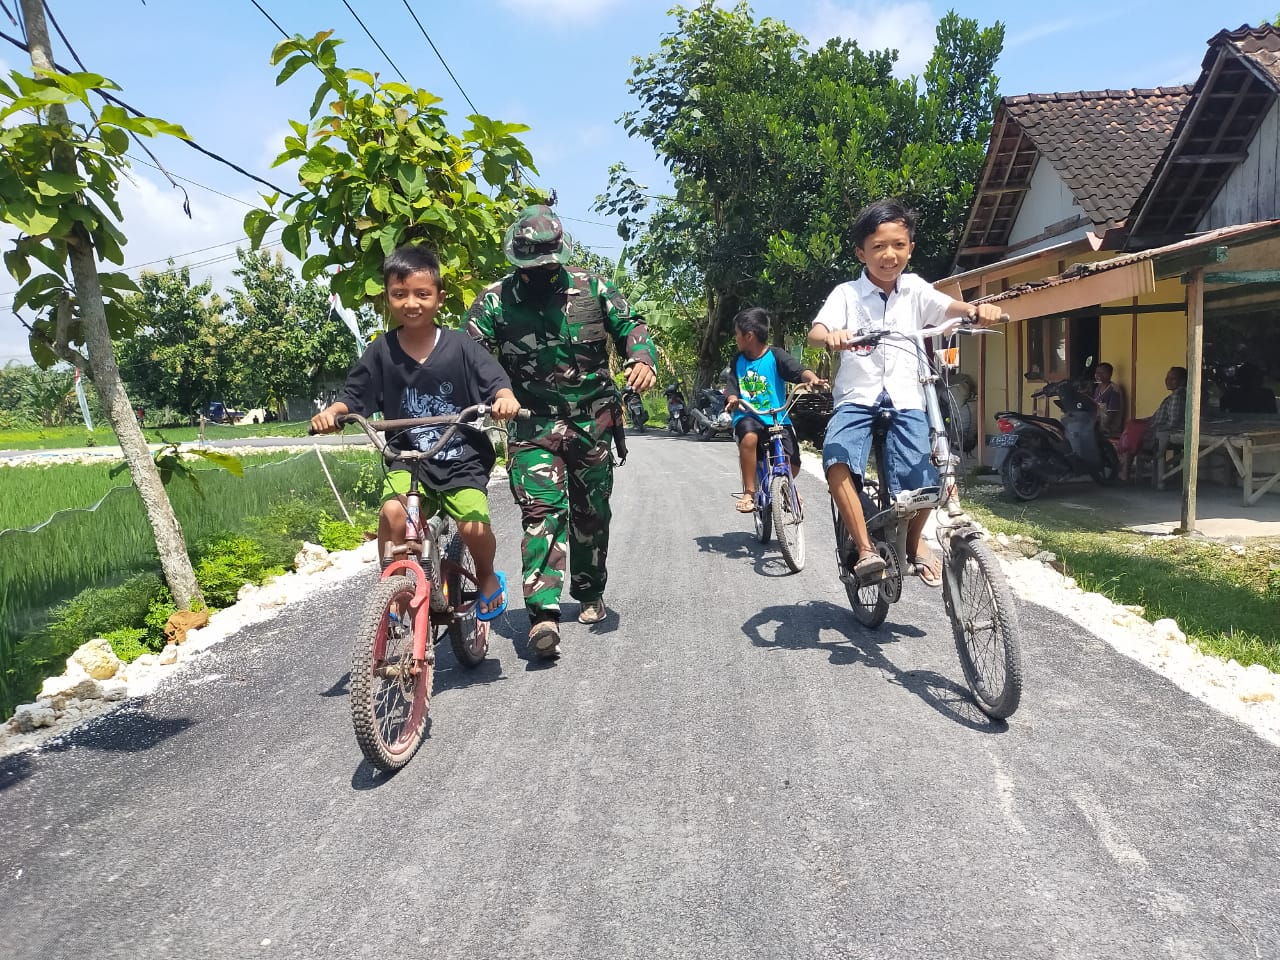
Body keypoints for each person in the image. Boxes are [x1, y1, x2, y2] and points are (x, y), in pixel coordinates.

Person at [467, 205, 657, 659]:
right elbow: (470, 355)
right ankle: (543, 615)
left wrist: (642, 358)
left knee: (592, 514)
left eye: (547, 265)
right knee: (542, 512)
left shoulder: (593, 287)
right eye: (530, 267)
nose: (540, 273)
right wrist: (495, 391)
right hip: (532, 422)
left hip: (593, 421)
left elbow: (631, 325)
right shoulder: (494, 301)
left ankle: (590, 591)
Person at [311, 245, 521, 621]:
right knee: (392, 514)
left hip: (460, 459)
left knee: (473, 525)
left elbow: (495, 383)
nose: (411, 303)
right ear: (387, 297)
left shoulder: (461, 347)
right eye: (400, 294)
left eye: (422, 294)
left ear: (439, 298)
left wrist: (504, 398)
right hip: (406, 457)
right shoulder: (381, 352)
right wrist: (334, 413)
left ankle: (488, 575)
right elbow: (352, 397)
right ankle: (391, 583)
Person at [808, 199, 1003, 587]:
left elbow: (948, 307)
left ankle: (914, 545)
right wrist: (832, 336)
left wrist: (976, 310)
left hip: (907, 397)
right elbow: (816, 332)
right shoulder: (847, 293)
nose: (889, 255)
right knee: (836, 457)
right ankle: (866, 549)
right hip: (858, 397)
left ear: (910, 248)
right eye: (878, 246)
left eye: (898, 245)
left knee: (929, 477)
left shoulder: (915, 289)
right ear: (861, 253)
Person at [724, 306, 826, 512]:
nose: (736, 338)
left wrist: (812, 379)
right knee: (749, 438)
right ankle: (749, 492)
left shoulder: (776, 356)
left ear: (749, 336)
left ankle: (785, 483)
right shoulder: (738, 360)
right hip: (748, 415)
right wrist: (733, 399)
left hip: (777, 417)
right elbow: (732, 384)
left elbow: (799, 371)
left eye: (737, 334)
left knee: (794, 462)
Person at [1117, 366, 1188, 481]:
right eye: (1167, 377)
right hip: (1155, 424)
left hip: (1162, 430)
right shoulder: (1177, 395)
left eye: (1173, 378)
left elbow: (1173, 422)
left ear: (1183, 381)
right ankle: (1125, 468)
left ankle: (1125, 470)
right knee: (1132, 425)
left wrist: (1151, 427)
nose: (1168, 380)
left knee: (1133, 430)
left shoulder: (1177, 397)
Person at [1091, 362, 1125, 437]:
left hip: (1110, 431)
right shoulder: (1098, 388)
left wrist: (1097, 428)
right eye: (1097, 372)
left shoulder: (1114, 390)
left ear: (1110, 374)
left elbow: (1112, 415)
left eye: (1102, 373)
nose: (1099, 375)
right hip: (1098, 427)